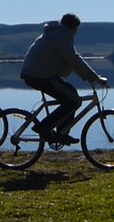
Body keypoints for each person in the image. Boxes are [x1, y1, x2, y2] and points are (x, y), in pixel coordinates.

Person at [20, 13, 108, 145]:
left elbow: (71, 59)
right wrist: (95, 77)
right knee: (73, 101)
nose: (76, 33)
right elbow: (73, 58)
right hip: (39, 75)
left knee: (71, 93)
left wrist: (90, 77)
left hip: (38, 73)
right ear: (73, 28)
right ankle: (44, 127)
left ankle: (62, 133)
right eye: (76, 29)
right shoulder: (61, 36)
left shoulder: (57, 33)